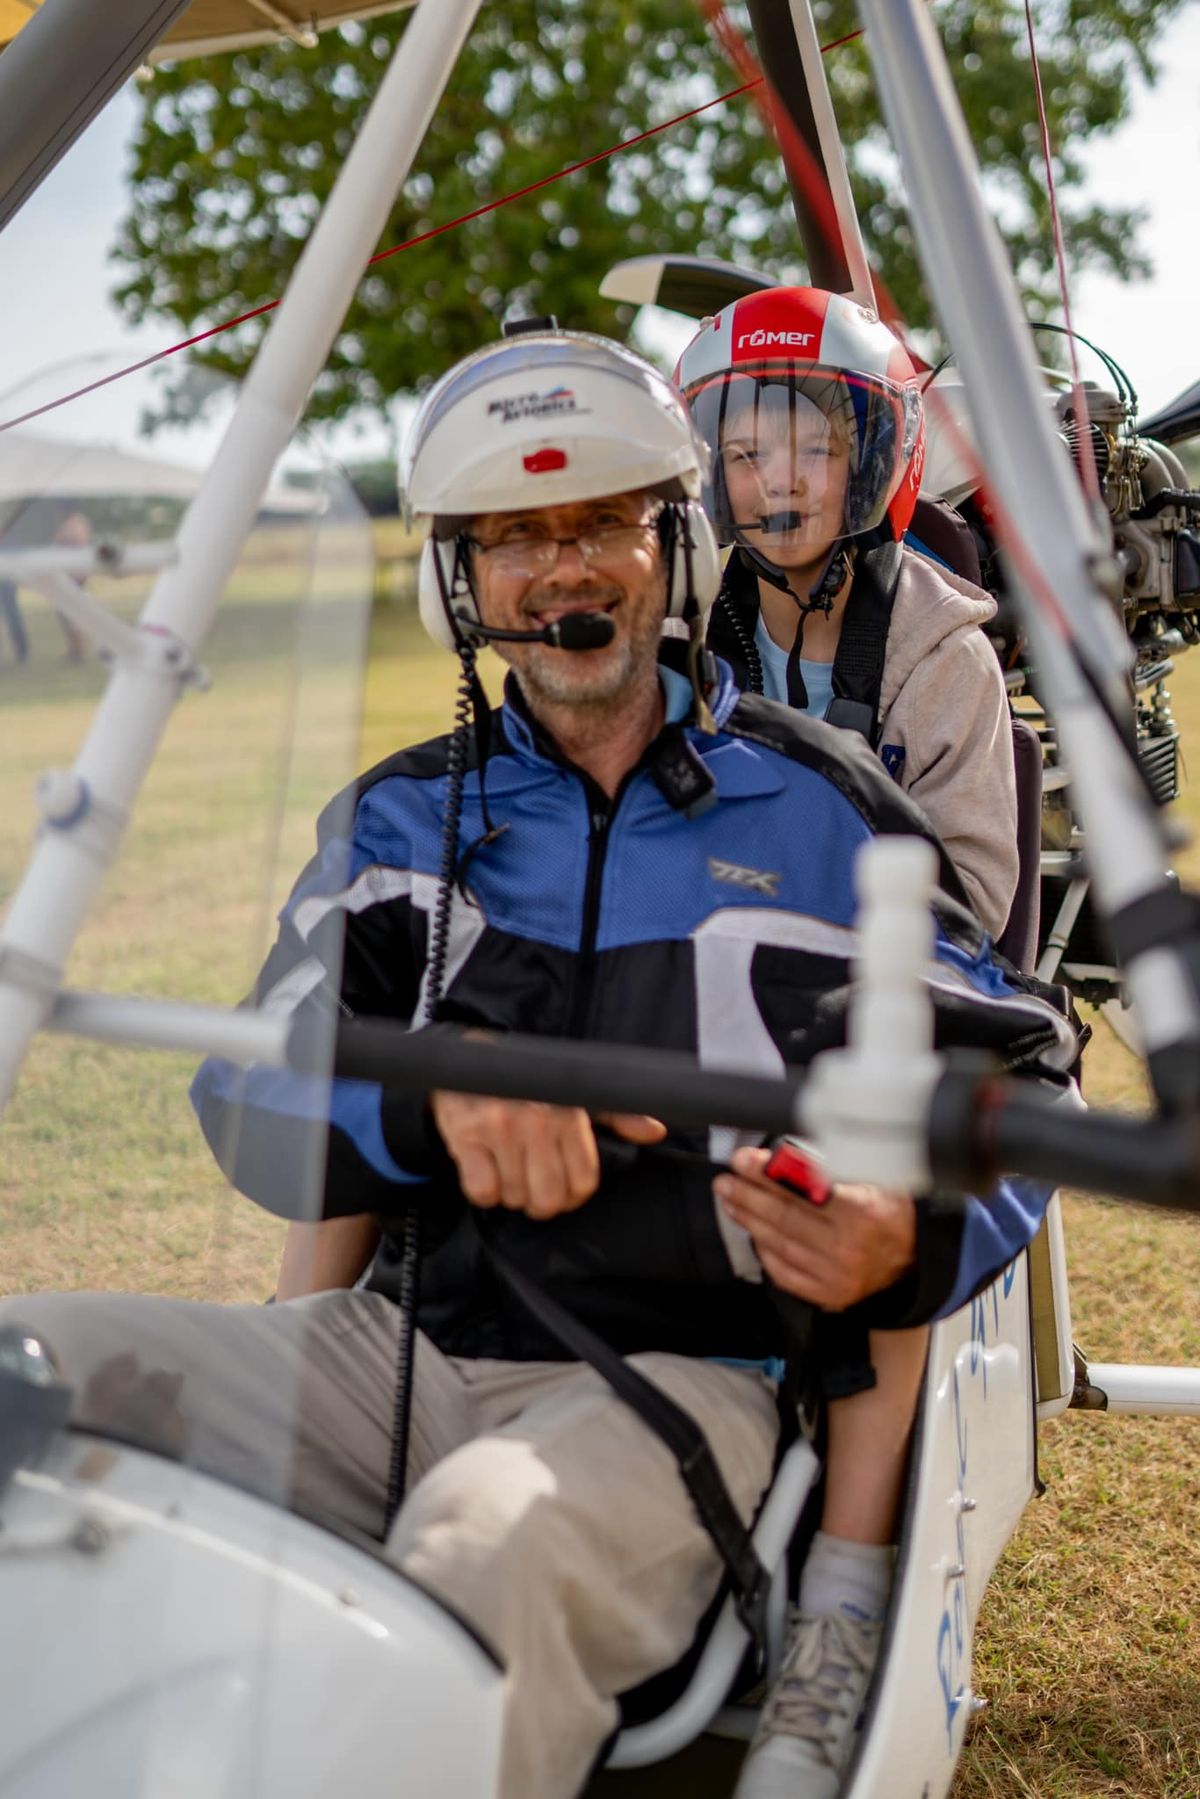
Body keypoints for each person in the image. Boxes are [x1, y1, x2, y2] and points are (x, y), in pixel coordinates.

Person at [0, 330, 1073, 1799]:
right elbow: (247, 1084)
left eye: (597, 524)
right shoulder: (395, 822)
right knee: (22, 1375)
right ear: (463, 583)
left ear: (671, 545)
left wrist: (904, 1230)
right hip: (396, 1351)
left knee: (473, 1560)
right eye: (512, 538)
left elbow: (1019, 1076)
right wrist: (431, 1086)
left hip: (675, 1381)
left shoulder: (826, 811)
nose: (560, 570)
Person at [677, 285, 1019, 942]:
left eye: (817, 450)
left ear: (869, 467)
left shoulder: (943, 661)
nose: (782, 481)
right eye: (748, 453)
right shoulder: (679, 639)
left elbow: (972, 907)